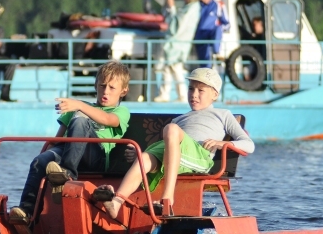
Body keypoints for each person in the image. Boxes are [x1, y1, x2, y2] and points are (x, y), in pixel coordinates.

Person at [98, 67, 254, 219]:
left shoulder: (223, 115)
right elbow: (169, 151)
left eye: (201, 91)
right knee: (144, 157)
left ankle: (167, 199)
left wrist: (224, 144)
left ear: (214, 94)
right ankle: (116, 202)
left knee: (171, 129)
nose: (194, 95)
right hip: (177, 152)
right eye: (191, 89)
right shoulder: (179, 120)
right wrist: (139, 154)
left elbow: (249, 145)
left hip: (199, 155)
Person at [8, 61, 131, 234]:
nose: (105, 91)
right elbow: (58, 138)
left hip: (95, 156)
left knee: (81, 119)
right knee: (40, 161)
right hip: (67, 152)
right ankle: (27, 214)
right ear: (96, 85)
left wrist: (80, 106)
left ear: (123, 91)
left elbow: (107, 119)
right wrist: (46, 154)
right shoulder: (77, 107)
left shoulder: (121, 111)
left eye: (112, 87)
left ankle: (67, 175)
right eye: (102, 85)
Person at [155, 0, 200, 102]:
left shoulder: (189, 9)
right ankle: (167, 94)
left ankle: (181, 95)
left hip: (177, 44)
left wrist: (171, 7)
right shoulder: (193, 8)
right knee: (170, 69)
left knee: (174, 68)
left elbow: (176, 25)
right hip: (179, 44)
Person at [194, 0, 228, 67]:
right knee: (203, 65)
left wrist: (218, 29)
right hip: (199, 38)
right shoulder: (196, 6)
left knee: (217, 28)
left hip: (210, 39)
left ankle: (217, 52)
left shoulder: (218, 5)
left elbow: (227, 23)